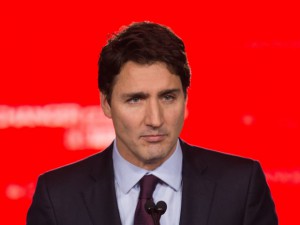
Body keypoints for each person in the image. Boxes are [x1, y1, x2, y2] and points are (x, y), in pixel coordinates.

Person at [27, 21, 278, 225]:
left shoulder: (241, 186)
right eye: (136, 100)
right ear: (106, 103)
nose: (155, 120)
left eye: (168, 97)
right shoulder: (57, 196)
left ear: (185, 98)